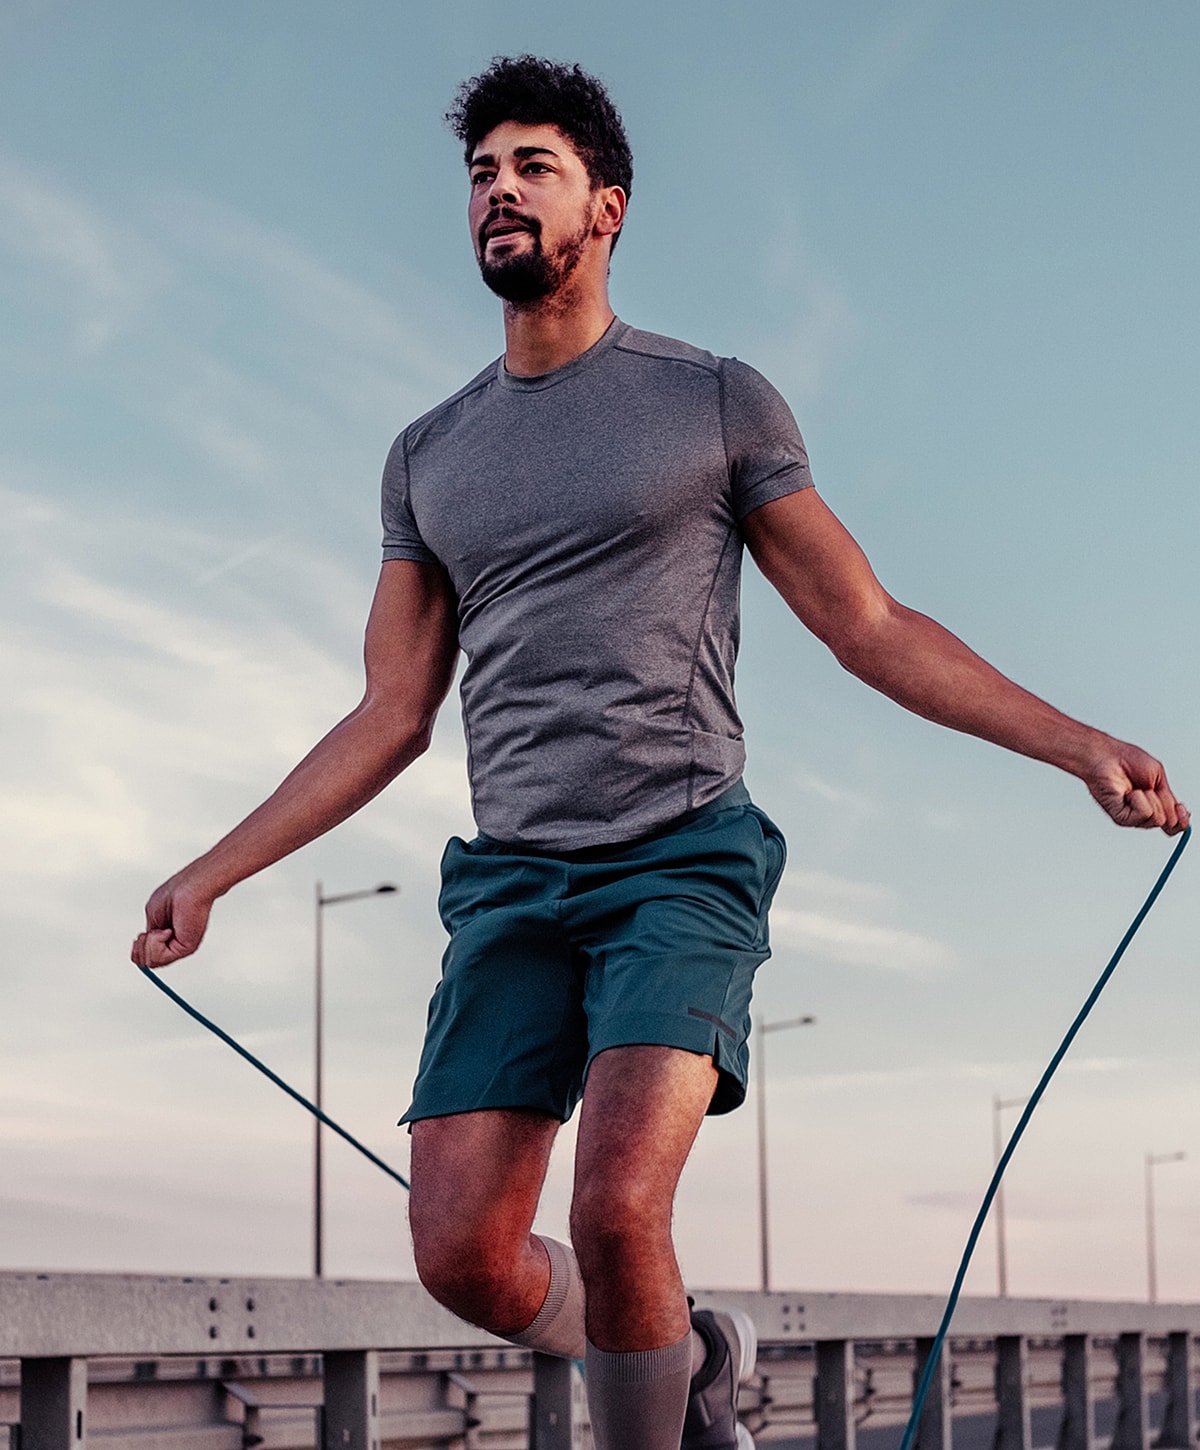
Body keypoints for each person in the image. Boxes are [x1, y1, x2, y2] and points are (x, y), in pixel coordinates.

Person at [132, 55, 1188, 1450]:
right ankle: (686, 1353)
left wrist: (1079, 746)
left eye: (532, 167)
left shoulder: (712, 401)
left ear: (608, 207)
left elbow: (863, 621)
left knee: (620, 1205)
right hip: (509, 879)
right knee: (459, 1250)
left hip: (679, 857)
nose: (496, 191)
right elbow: (391, 711)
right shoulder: (427, 456)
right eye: (479, 172)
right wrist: (212, 874)